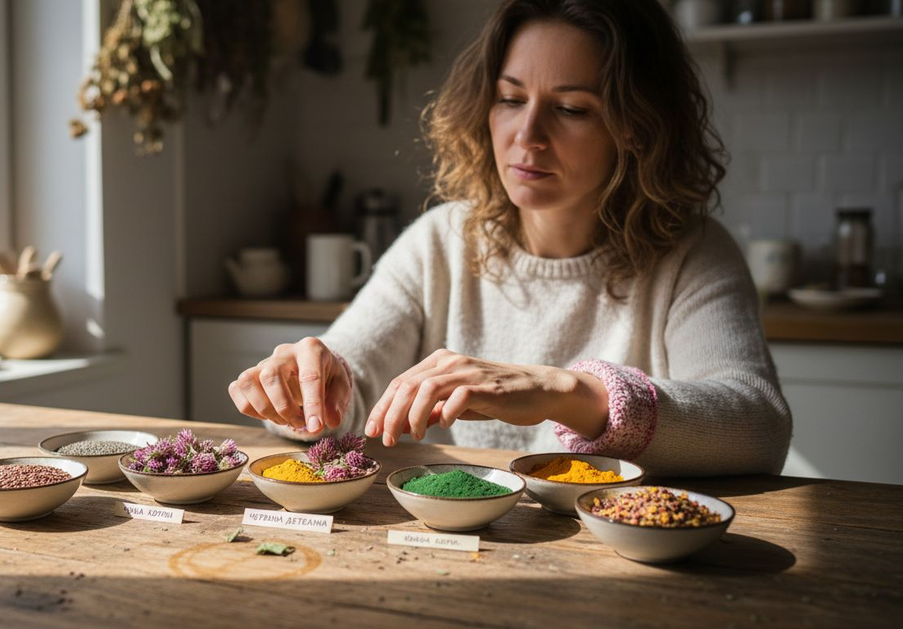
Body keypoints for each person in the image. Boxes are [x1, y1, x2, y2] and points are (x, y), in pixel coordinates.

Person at [227, 0, 792, 476]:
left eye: (570, 108)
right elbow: (351, 378)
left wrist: (562, 392)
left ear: (637, 126)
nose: (528, 135)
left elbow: (759, 425)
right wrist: (306, 388)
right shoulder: (441, 240)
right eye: (511, 98)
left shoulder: (693, 253)